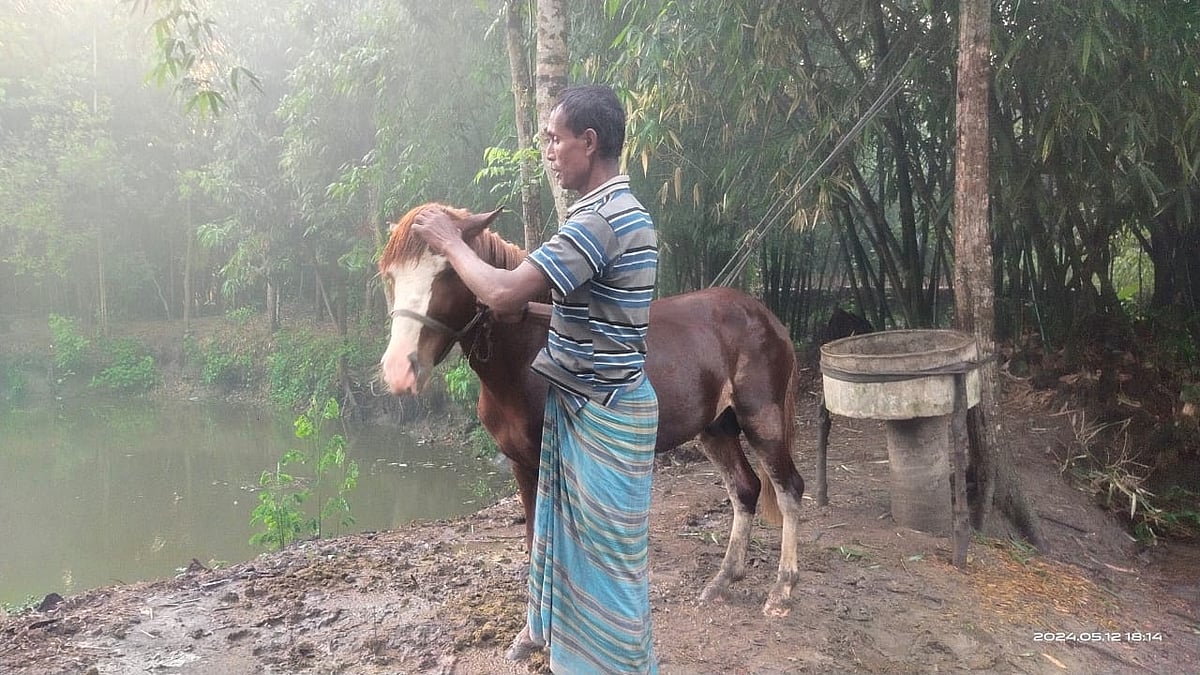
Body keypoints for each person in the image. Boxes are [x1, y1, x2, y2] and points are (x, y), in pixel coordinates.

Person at [413, 84, 659, 674]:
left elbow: (498, 291)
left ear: (589, 142)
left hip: (603, 414)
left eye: (554, 137)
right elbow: (597, 315)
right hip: (607, 404)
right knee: (592, 565)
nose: (547, 149)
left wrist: (451, 241)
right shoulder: (626, 214)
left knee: (606, 574)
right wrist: (532, 310)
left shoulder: (597, 222)